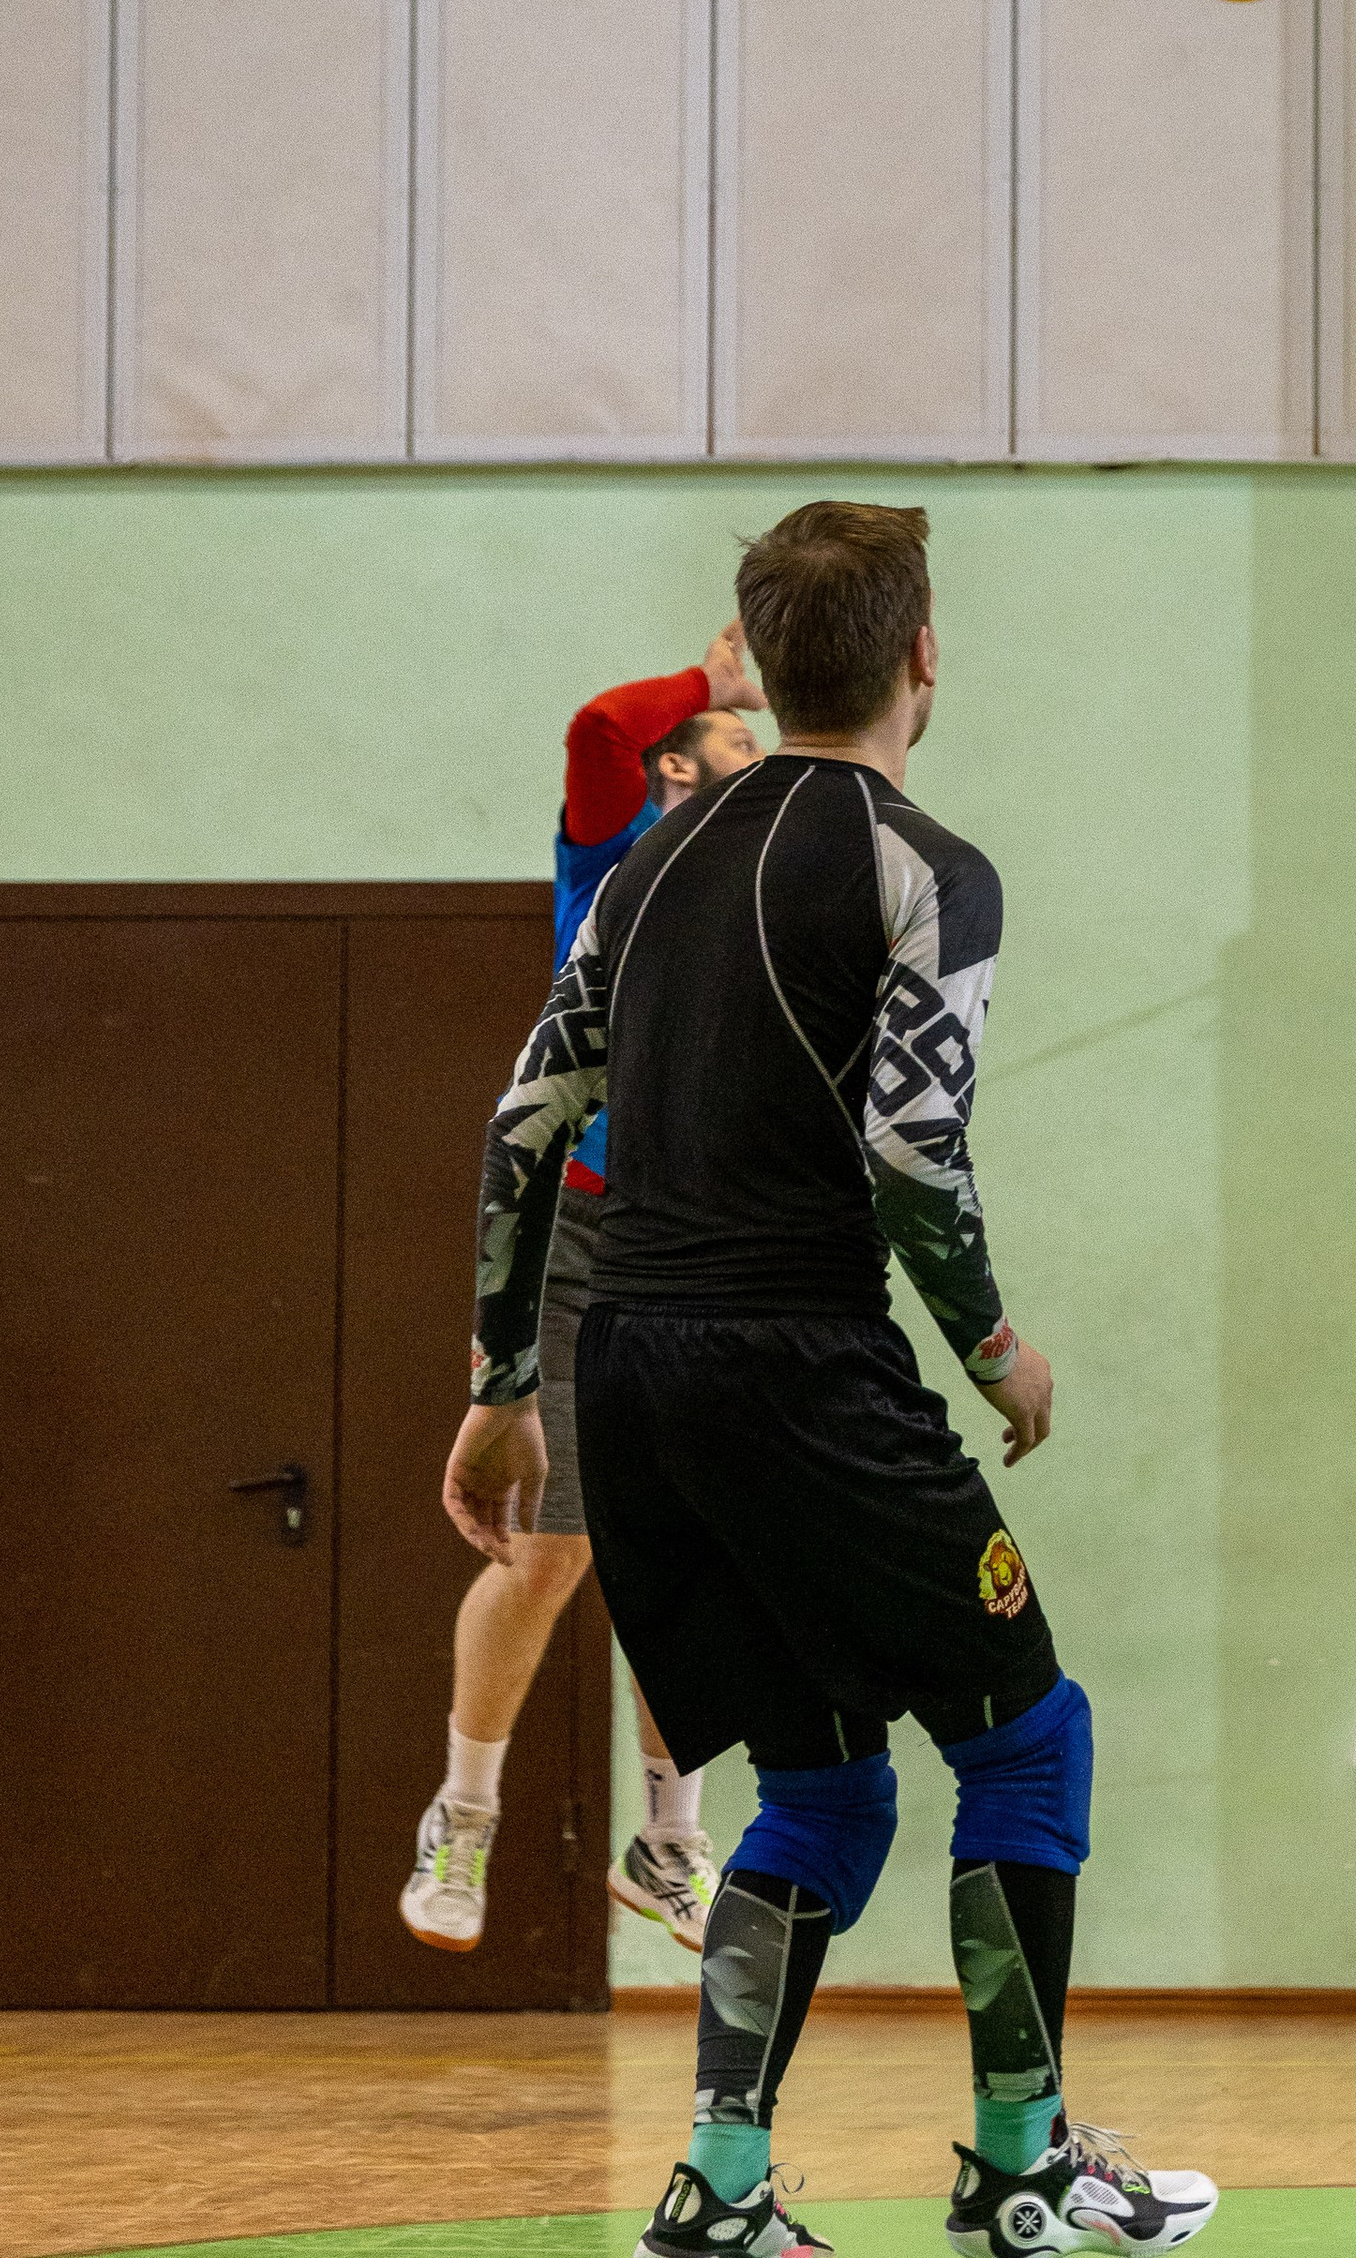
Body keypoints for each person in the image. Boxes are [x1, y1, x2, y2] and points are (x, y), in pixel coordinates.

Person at [438, 502, 1217, 2258]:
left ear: (768, 664)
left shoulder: (647, 865)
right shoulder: (927, 867)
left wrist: (502, 1381)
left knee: (823, 1792)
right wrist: (995, 1346)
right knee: (1029, 1741)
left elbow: (523, 1124)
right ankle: (1021, 2166)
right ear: (923, 656)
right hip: (799, 1364)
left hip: (630, 1378)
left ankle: (721, 2188)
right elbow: (914, 1149)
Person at [400, 627, 767, 1958]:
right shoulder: (615, 856)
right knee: (552, 1546)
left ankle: (670, 1841)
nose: (759, 753)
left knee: (690, 1549)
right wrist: (714, 679)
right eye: (738, 740)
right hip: (577, 1230)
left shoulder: (756, 887)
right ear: (678, 768)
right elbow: (599, 730)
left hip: (693, 1237)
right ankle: (465, 1814)